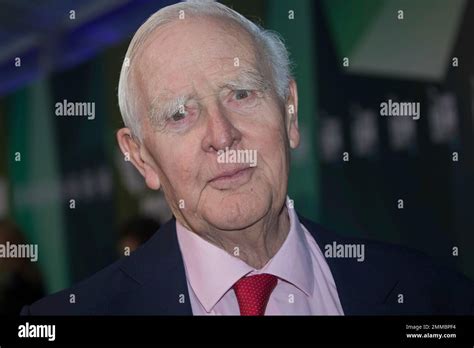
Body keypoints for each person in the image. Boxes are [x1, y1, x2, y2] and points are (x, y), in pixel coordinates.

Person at [21, 0, 473, 315]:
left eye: (241, 94)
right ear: (141, 161)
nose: (221, 135)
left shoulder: (431, 296)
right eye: (179, 114)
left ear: (289, 113)